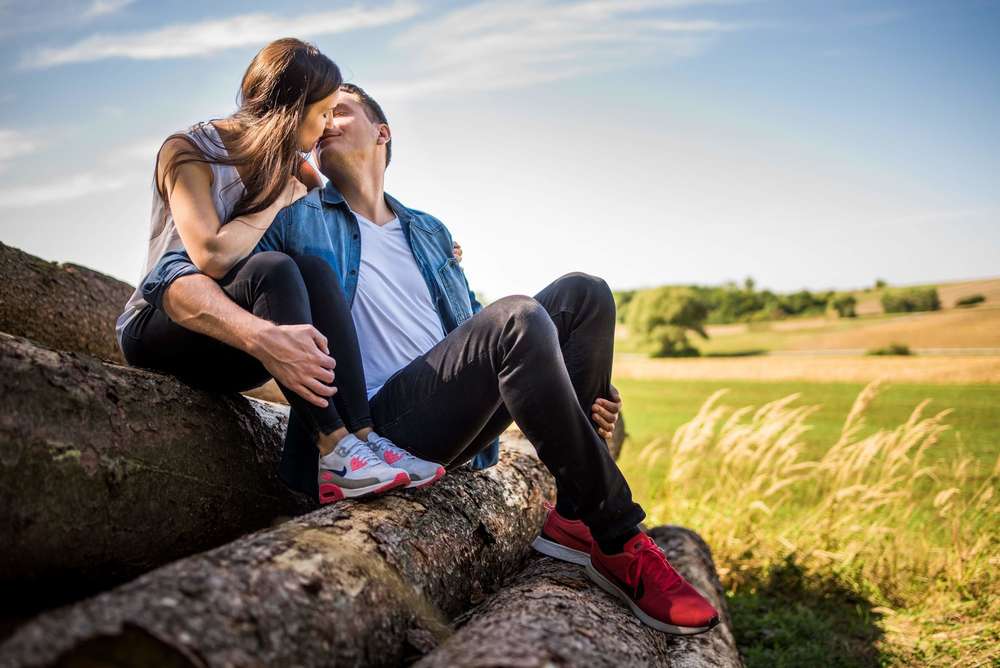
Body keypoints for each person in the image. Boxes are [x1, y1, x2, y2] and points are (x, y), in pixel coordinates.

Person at [145, 82, 720, 636]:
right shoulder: (293, 214)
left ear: (382, 133)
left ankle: (573, 515)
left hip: (447, 414)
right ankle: (619, 539)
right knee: (516, 316)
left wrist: (571, 390)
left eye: (338, 111)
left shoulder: (428, 230)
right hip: (375, 426)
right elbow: (190, 273)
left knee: (583, 293)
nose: (321, 124)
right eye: (317, 114)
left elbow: (476, 327)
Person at [116, 39, 445, 505]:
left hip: (244, 350)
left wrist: (433, 245)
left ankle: (364, 438)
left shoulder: (293, 169)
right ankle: (332, 448)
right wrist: (278, 197)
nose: (328, 124)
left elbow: (348, 217)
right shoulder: (190, 150)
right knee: (274, 267)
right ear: (296, 111)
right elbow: (208, 255)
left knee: (310, 267)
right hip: (166, 326)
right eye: (325, 112)